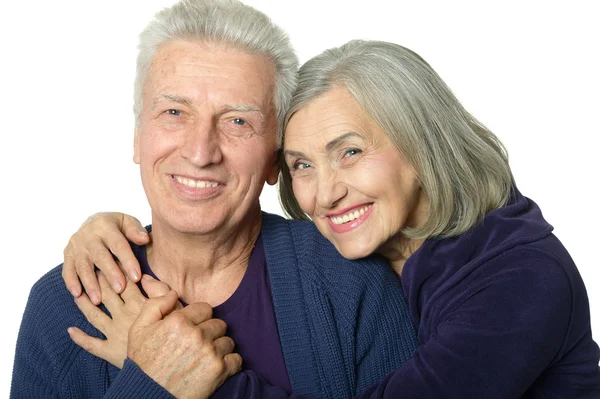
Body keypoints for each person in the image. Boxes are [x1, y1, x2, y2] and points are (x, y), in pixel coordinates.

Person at [63, 39, 600, 397]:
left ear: (422, 145)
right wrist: (111, 227)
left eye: (349, 152)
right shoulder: (394, 253)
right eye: (301, 164)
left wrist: (183, 374)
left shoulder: (521, 279)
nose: (325, 194)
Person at [9, 1, 418, 398]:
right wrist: (153, 383)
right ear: (137, 136)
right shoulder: (64, 303)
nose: (201, 152)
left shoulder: (350, 283)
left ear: (275, 159)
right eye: (173, 113)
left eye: (238, 121)